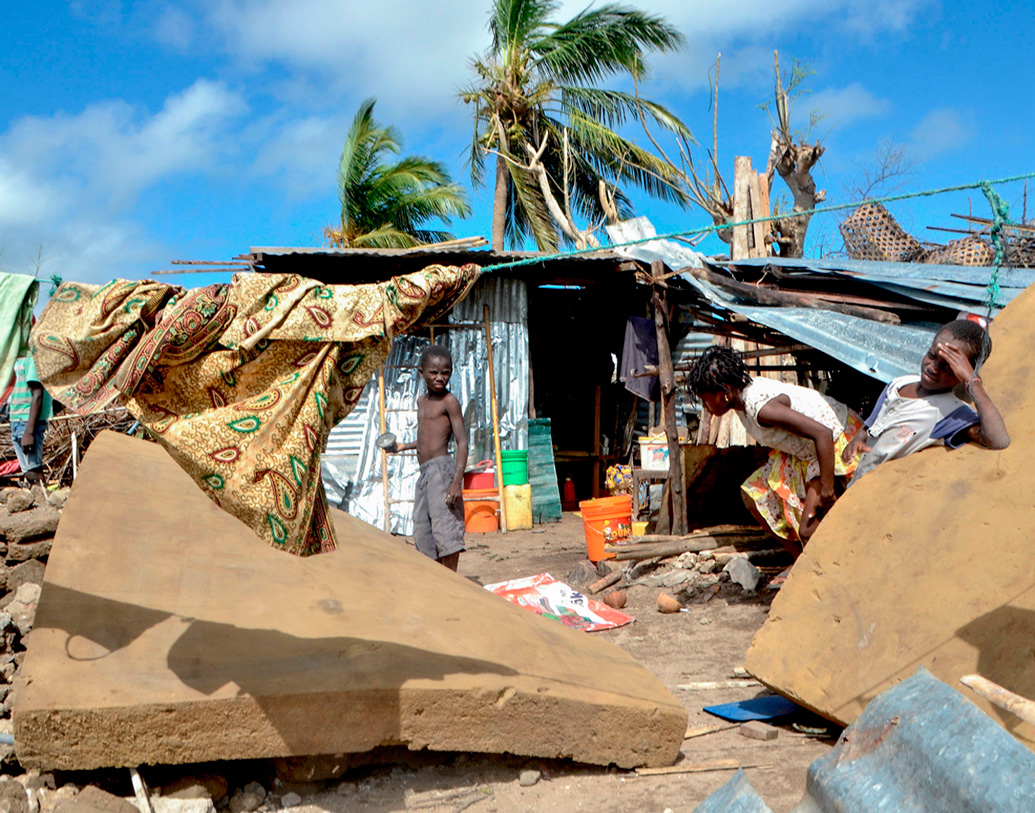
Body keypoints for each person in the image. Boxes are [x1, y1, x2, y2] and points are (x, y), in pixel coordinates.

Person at [686, 346, 864, 565]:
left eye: (705, 400)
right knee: (753, 495)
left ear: (723, 393)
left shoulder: (761, 407)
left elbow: (823, 433)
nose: (705, 406)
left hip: (832, 441)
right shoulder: (741, 403)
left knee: (808, 529)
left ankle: (824, 573)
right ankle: (799, 564)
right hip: (805, 450)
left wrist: (827, 488)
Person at [844, 319, 1009, 480]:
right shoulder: (899, 384)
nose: (933, 368)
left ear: (962, 373)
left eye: (948, 367)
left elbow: (998, 440)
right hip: (859, 480)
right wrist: (859, 438)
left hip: (881, 490)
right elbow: (872, 423)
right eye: (932, 355)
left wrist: (972, 381)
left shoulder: (950, 413)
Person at [389, 345, 468, 571]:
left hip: (442, 472)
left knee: (446, 531)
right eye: (434, 372)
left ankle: (450, 584)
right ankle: (436, 584)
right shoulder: (422, 402)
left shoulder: (449, 401)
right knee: (424, 533)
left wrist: (456, 482)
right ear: (422, 372)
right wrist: (404, 446)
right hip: (425, 474)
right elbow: (426, 440)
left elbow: (462, 442)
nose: (440, 377)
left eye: (445, 372)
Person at [10, 351, 53, 486]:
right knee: (28, 472)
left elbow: (38, 394)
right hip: (16, 419)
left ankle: (44, 501)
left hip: (27, 420)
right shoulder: (16, 358)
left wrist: (29, 432)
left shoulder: (32, 358)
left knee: (34, 470)